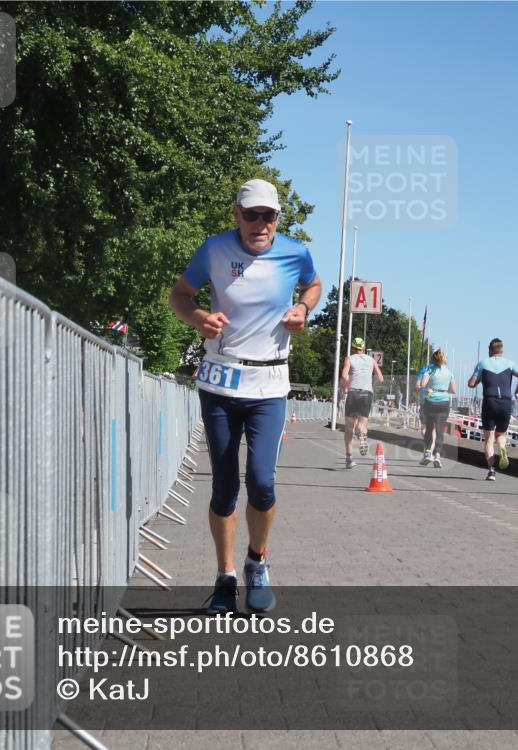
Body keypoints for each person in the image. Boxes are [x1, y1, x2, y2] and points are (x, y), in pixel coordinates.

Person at [169, 178, 322, 614]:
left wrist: (303, 309)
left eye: (268, 215)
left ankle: (256, 563)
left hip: (270, 386)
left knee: (262, 481)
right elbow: (179, 295)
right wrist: (199, 317)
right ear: (236, 215)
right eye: (250, 214)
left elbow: (313, 284)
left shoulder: (295, 252)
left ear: (277, 218)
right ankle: (224, 577)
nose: (260, 223)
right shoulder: (214, 249)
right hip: (219, 381)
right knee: (223, 486)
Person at [468, 338, 518, 481]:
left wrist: (481, 378)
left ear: (490, 350)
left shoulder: (482, 363)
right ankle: (502, 448)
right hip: (505, 403)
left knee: (489, 440)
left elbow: (471, 384)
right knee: (501, 434)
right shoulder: (510, 363)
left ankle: (492, 471)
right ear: (502, 350)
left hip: (490, 401)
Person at [340, 337, 384, 468]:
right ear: (364, 348)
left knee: (349, 427)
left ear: (353, 348)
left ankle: (349, 458)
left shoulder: (349, 359)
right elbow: (381, 378)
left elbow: (343, 376)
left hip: (353, 392)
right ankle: (362, 433)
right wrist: (371, 385)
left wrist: (344, 385)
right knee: (362, 422)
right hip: (367, 393)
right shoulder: (371, 360)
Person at [419, 349, 456, 468]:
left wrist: (430, 386)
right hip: (444, 402)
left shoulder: (429, 370)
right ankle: (438, 455)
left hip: (430, 401)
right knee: (440, 430)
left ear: (432, 359)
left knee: (429, 428)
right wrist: (444, 389)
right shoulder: (449, 372)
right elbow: (453, 390)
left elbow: (423, 385)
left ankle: (428, 453)